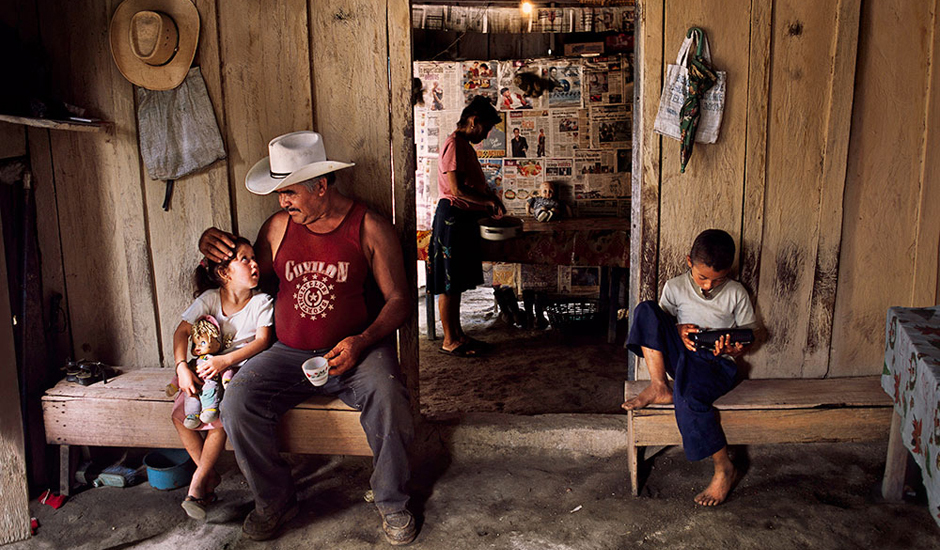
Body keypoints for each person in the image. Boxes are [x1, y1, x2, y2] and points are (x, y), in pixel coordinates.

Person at [199, 130, 415, 544]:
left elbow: (400, 301)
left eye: (291, 192)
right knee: (239, 400)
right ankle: (275, 501)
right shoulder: (278, 227)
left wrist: (361, 341)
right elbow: (244, 280)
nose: (282, 201)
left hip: (358, 352)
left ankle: (392, 502)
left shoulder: (369, 226)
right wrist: (212, 248)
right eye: (279, 193)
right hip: (287, 353)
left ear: (321, 185)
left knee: (389, 397)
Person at [622, 229, 757, 506]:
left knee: (689, 397)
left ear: (728, 271)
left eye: (717, 279)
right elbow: (657, 328)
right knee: (646, 310)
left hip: (716, 364)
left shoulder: (736, 292)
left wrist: (733, 348)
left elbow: (750, 335)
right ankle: (659, 385)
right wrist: (677, 328)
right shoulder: (675, 287)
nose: (708, 285)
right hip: (683, 355)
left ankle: (724, 468)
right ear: (689, 262)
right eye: (702, 277)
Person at [170, 237, 275, 521]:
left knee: (217, 418)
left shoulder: (261, 302)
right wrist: (181, 367)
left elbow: (263, 341)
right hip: (205, 370)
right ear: (224, 273)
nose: (255, 264)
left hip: (236, 373)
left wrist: (225, 360)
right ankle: (210, 475)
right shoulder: (209, 299)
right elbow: (181, 333)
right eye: (245, 259)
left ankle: (197, 483)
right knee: (180, 415)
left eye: (255, 259)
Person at [428, 96, 506, 358]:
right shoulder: (454, 145)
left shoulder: (463, 145)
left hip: (462, 220)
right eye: (484, 128)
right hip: (452, 219)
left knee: (456, 282)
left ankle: (458, 335)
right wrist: (487, 200)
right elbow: (457, 189)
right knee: (449, 283)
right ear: (473, 121)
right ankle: (450, 340)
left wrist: (489, 199)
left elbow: (468, 186)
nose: (485, 135)